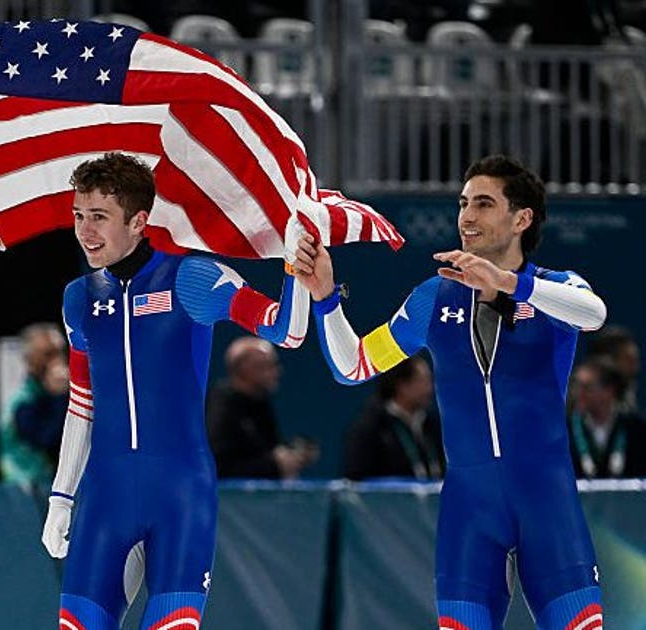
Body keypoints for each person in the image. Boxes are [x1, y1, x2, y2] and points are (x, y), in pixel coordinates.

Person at [291, 154, 607, 630]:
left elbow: (594, 314)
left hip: (549, 509)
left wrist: (509, 284)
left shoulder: (554, 290)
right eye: (463, 203)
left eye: (483, 203)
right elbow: (352, 365)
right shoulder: (433, 299)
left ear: (522, 219)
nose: (466, 216)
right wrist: (325, 298)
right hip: (470, 514)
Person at [41, 152, 309, 629]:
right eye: (79, 215)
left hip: (180, 496)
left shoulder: (192, 278)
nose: (85, 230)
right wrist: (61, 497)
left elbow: (287, 331)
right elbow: (82, 404)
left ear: (140, 220)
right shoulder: (78, 298)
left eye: (99, 217)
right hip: (106, 497)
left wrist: (296, 269)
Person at [206, 336, 319, 479]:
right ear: (245, 369)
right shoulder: (221, 406)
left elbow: (269, 449)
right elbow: (219, 467)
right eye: (268, 365)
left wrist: (293, 456)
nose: (277, 372)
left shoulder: (260, 401)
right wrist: (274, 466)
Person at [342, 354, 445, 481]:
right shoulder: (370, 427)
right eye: (422, 381)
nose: (430, 388)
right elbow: (355, 481)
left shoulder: (434, 425)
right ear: (402, 385)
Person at [0, 322, 70, 487]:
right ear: (30, 360)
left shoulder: (70, 394)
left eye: (60, 352)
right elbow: (47, 439)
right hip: (25, 496)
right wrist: (59, 396)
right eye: (48, 354)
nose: (57, 361)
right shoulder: (22, 403)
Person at [568, 358, 646, 479]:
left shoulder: (636, 430)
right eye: (576, 386)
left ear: (608, 391)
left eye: (587, 387)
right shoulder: (566, 431)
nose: (578, 393)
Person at [586, 325, 640, 412]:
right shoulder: (584, 393)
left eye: (635, 360)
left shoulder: (627, 388)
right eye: (628, 360)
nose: (636, 367)